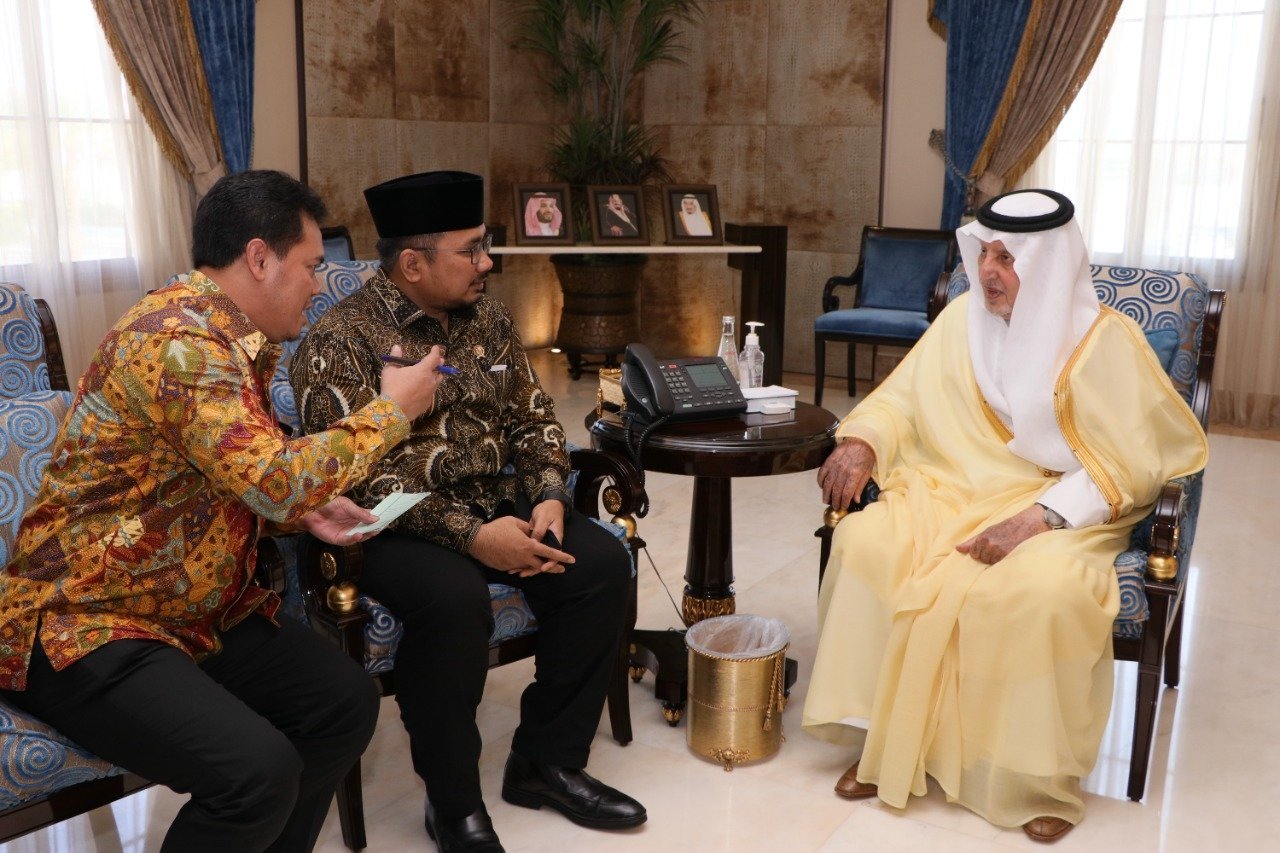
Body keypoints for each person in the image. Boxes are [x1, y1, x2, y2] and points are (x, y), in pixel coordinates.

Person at [0, 169, 445, 851]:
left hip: (182, 606)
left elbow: (228, 478)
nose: (320, 284)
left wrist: (298, 513)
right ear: (259, 258)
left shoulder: (224, 336)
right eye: (311, 265)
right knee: (255, 775)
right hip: (83, 619)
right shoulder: (179, 342)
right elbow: (274, 479)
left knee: (343, 702)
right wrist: (391, 411)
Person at [802, 189, 1208, 843]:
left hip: (1062, 505)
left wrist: (1037, 520)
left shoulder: (1104, 341)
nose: (988, 271)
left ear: (1045, 267)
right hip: (951, 486)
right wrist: (863, 441)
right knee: (868, 543)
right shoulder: (959, 321)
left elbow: (1138, 461)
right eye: (986, 254)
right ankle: (887, 741)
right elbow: (900, 399)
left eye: (1008, 259)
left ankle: (1032, 774)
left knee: (1040, 590)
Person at [289, 170, 645, 853]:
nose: (488, 262)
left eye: (486, 245)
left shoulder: (492, 319)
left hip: (496, 497)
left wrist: (548, 492)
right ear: (413, 263)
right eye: (472, 249)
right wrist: (475, 538)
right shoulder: (340, 340)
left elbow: (535, 417)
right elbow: (354, 478)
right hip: (394, 522)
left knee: (599, 564)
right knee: (453, 601)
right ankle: (453, 803)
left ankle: (546, 761)